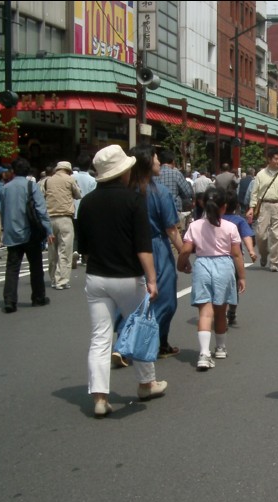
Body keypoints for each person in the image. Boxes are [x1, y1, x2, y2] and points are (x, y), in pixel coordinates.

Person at [76, 144, 167, 417]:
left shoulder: (88, 202)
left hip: (96, 277)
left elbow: (84, 246)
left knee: (100, 337)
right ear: (123, 172)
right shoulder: (133, 200)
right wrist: (152, 278)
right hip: (128, 277)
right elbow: (143, 245)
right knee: (139, 328)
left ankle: (100, 398)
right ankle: (146, 383)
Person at [177, 187, 246, 371]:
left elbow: (185, 249)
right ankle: (221, 347)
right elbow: (237, 255)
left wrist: (182, 264)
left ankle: (204, 353)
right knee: (220, 310)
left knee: (205, 312)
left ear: (203, 204)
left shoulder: (195, 225)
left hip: (202, 266)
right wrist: (242, 277)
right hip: (224, 266)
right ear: (224, 207)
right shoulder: (230, 227)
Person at [130, 144, 183, 358]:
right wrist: (184, 253)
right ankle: (156, 342)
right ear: (146, 162)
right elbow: (171, 228)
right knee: (166, 298)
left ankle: (127, 338)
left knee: (133, 298)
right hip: (155, 247)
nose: (159, 162)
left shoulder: (126, 189)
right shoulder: (158, 191)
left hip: (129, 248)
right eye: (155, 158)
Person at [0, 158, 54, 313]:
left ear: (13, 171)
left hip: (12, 233)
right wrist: (48, 230)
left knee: (12, 267)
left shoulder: (6, 188)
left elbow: (3, 210)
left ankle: (9, 300)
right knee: (36, 266)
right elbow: (41, 210)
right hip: (30, 232)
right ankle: (38, 297)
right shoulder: (32, 186)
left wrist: (5, 227)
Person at [245, 149, 278, 272]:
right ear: (269, 159)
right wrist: (251, 208)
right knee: (260, 234)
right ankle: (264, 254)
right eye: (275, 159)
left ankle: (274, 262)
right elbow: (254, 192)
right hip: (264, 206)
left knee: (277, 236)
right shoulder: (261, 174)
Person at [43, 161, 81, 290]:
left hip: (50, 218)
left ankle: (53, 278)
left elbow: (42, 195)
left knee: (52, 251)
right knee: (65, 250)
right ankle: (61, 280)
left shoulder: (48, 180)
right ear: (68, 170)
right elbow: (78, 194)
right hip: (65, 218)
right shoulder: (70, 180)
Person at [222, 190, 257, 326]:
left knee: (221, 287)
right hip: (235, 259)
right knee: (234, 286)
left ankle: (223, 312)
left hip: (216, 258)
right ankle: (231, 311)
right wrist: (251, 250)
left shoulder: (215, 219)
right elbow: (246, 236)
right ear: (237, 205)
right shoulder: (239, 220)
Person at [71, 154, 97, 268]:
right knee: (86, 233)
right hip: (86, 211)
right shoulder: (93, 180)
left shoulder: (71, 178)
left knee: (74, 234)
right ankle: (85, 257)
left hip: (72, 209)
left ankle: (74, 251)